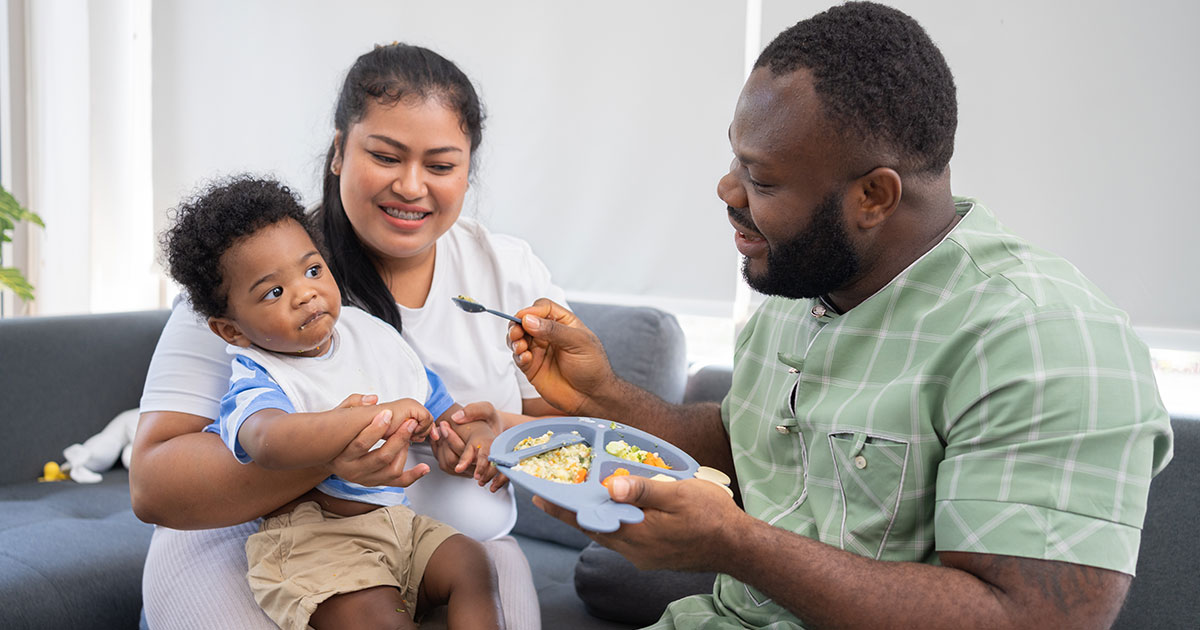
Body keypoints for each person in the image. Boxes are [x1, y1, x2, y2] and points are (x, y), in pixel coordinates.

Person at [507, 3, 1175, 629]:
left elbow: (1031, 617)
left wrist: (740, 545)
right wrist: (606, 397)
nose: (726, 190)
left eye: (762, 179)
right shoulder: (809, 279)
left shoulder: (1042, 341)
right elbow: (758, 451)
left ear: (874, 196)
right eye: (735, 157)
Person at [131, 42, 563, 630]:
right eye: (386, 156)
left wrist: (499, 435)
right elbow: (154, 486)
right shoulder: (251, 273)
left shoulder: (509, 272)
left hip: (453, 544)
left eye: (440, 166)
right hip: (259, 541)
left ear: (468, 171)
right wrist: (333, 452)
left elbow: (573, 435)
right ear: (339, 151)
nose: (412, 187)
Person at [159, 175, 504, 629]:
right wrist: (357, 424)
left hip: (398, 525)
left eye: (312, 270)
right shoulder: (261, 375)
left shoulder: (369, 335)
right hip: (316, 543)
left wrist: (468, 433)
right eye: (274, 292)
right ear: (232, 330)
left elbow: (432, 399)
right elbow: (266, 441)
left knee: (471, 564)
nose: (305, 293)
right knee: (381, 617)